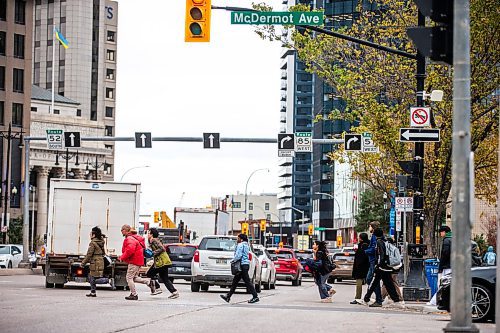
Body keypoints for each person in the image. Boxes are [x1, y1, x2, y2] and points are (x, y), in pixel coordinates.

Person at [363, 228, 402, 307]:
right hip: (386, 266)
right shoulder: (385, 241)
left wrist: (378, 265)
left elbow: (381, 254)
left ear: (375, 234)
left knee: (374, 282)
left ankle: (370, 299)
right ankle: (396, 299)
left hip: (382, 267)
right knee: (388, 283)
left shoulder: (379, 242)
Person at [220, 234, 259, 304]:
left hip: (241, 265)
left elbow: (238, 255)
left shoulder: (240, 245)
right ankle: (228, 296)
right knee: (235, 281)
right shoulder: (247, 245)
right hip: (245, 265)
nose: (237, 240)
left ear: (241, 239)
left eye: (238, 238)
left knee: (247, 282)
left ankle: (255, 296)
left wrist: (233, 261)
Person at [119, 224, 155, 300]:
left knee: (129, 278)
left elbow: (130, 250)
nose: (121, 232)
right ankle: (148, 282)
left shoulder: (129, 238)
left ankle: (134, 294)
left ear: (125, 230)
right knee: (134, 278)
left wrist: (122, 257)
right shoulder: (134, 238)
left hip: (134, 261)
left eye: (122, 230)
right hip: (138, 260)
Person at [146, 228, 179, 299]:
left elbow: (162, 248)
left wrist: (153, 253)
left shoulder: (154, 240)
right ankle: (174, 292)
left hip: (161, 262)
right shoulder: (153, 240)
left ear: (152, 234)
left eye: (148, 233)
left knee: (149, 273)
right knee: (165, 278)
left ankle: (157, 288)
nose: (147, 235)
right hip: (163, 261)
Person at [81, 226, 112, 297]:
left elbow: (89, 254)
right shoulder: (101, 241)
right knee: (91, 277)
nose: (90, 235)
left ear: (94, 235)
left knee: (92, 278)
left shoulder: (93, 243)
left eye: (91, 234)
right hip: (100, 261)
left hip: (95, 262)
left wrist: (83, 263)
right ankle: (93, 292)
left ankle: (108, 280)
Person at [428, 225, 452, 306]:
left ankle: (434, 301)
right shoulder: (453, 239)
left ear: (444, 232)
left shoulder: (446, 241)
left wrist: (440, 267)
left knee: (442, 285)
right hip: (453, 266)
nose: (440, 234)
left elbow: (444, 254)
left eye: (441, 232)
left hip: (447, 267)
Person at [364, 221, 383, 305]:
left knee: (371, 279)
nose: (369, 228)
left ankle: (378, 299)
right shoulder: (374, 236)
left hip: (374, 260)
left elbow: (374, 249)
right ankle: (376, 298)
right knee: (372, 279)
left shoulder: (375, 237)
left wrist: (365, 251)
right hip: (373, 260)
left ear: (373, 227)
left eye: (370, 226)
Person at [381, 236, 404, 305]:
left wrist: (388, 263)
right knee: (393, 282)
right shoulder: (394, 248)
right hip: (394, 268)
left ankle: (382, 296)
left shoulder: (391, 249)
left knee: (387, 283)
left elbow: (397, 260)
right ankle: (397, 297)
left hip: (391, 268)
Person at [350, 232, 370, 305]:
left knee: (359, 282)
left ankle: (358, 298)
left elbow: (361, 257)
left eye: (359, 237)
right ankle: (368, 297)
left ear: (361, 238)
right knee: (371, 283)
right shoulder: (369, 244)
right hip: (368, 266)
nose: (358, 238)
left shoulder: (363, 245)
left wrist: (357, 266)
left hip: (361, 267)